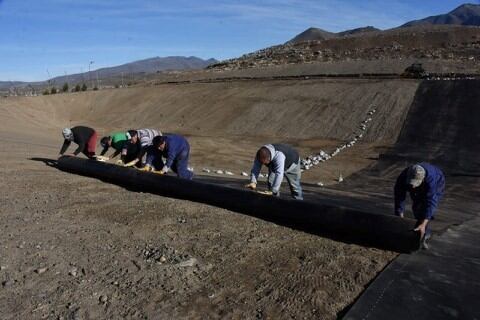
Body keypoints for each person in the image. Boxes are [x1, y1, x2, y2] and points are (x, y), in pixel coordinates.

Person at [394, 163, 445, 249]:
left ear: (423, 179)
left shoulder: (430, 181)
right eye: (411, 183)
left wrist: (423, 223)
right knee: (417, 206)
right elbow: (399, 195)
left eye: (416, 183)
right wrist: (399, 214)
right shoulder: (403, 177)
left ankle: (424, 234)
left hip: (438, 181)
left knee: (424, 207)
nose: (413, 186)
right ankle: (418, 227)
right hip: (419, 181)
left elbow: (430, 203)